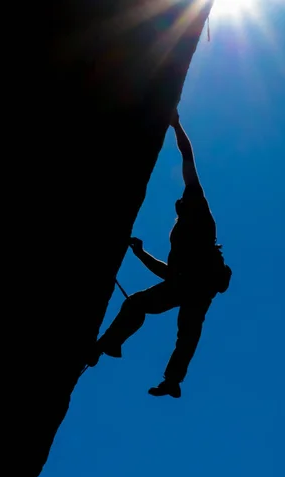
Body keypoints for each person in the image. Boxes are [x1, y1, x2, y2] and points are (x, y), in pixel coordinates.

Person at [87, 108, 231, 397]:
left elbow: (187, 157)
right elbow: (167, 273)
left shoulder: (199, 211)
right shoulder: (182, 231)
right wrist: (140, 254)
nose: (177, 202)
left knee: (185, 333)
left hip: (197, 284)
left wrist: (176, 126)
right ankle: (111, 345)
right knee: (143, 308)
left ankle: (165, 375)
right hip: (187, 284)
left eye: (180, 200)